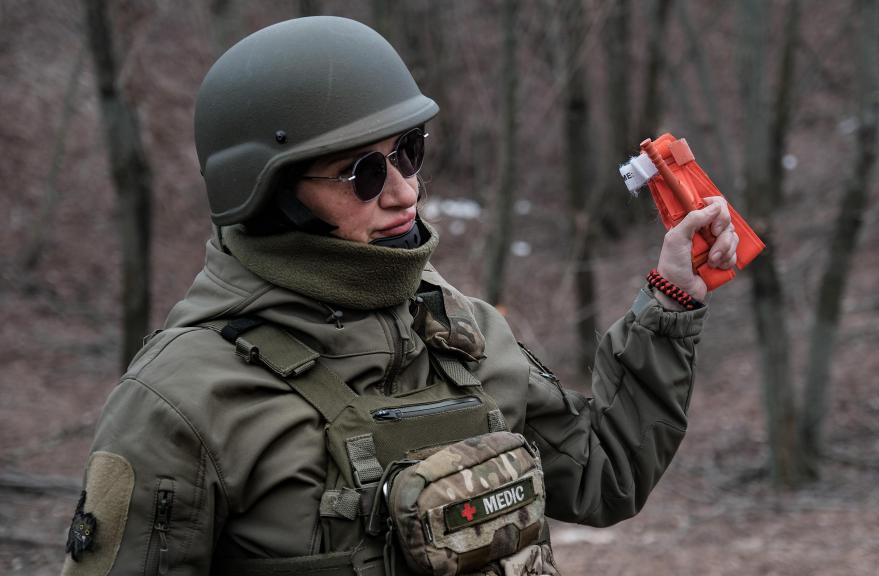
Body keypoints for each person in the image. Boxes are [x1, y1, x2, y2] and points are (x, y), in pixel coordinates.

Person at [61, 16, 739, 576]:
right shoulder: (180, 401)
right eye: (362, 172)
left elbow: (604, 475)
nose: (404, 190)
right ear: (270, 192)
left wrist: (671, 301)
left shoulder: (459, 331)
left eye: (409, 150)